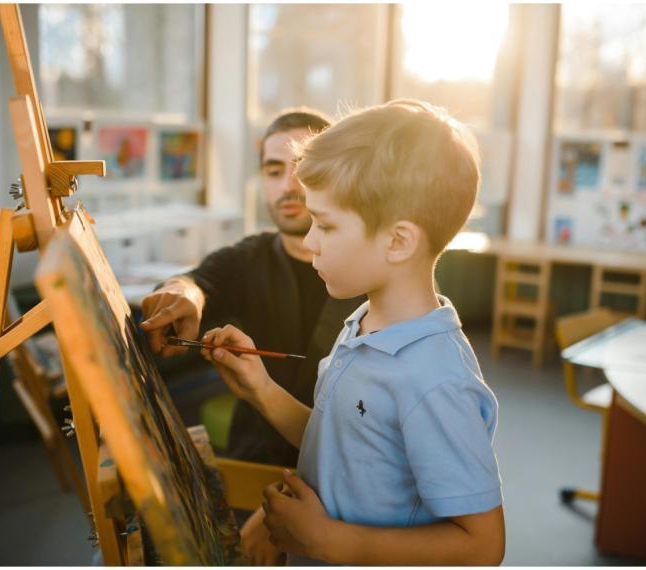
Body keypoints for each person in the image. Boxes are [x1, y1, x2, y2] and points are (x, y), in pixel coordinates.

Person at [200, 99, 505, 565]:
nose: (309, 241)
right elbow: (341, 444)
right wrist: (260, 388)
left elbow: (483, 546)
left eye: (325, 224)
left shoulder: (436, 379)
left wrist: (329, 542)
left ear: (398, 242)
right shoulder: (361, 323)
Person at [139, 108, 364, 564]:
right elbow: (198, 280)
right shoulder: (250, 257)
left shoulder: (371, 273)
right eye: (273, 170)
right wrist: (184, 294)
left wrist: (284, 499)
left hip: (348, 493)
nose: (287, 186)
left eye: (301, 169)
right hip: (248, 472)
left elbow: (376, 435)